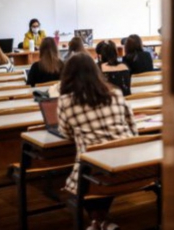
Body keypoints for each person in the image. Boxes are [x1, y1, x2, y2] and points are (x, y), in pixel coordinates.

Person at [58, 53, 138, 229]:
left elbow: (65, 133)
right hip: (129, 165)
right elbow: (134, 128)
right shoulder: (116, 93)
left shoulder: (65, 101)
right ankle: (101, 221)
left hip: (95, 169)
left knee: (86, 174)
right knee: (100, 174)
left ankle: (97, 221)